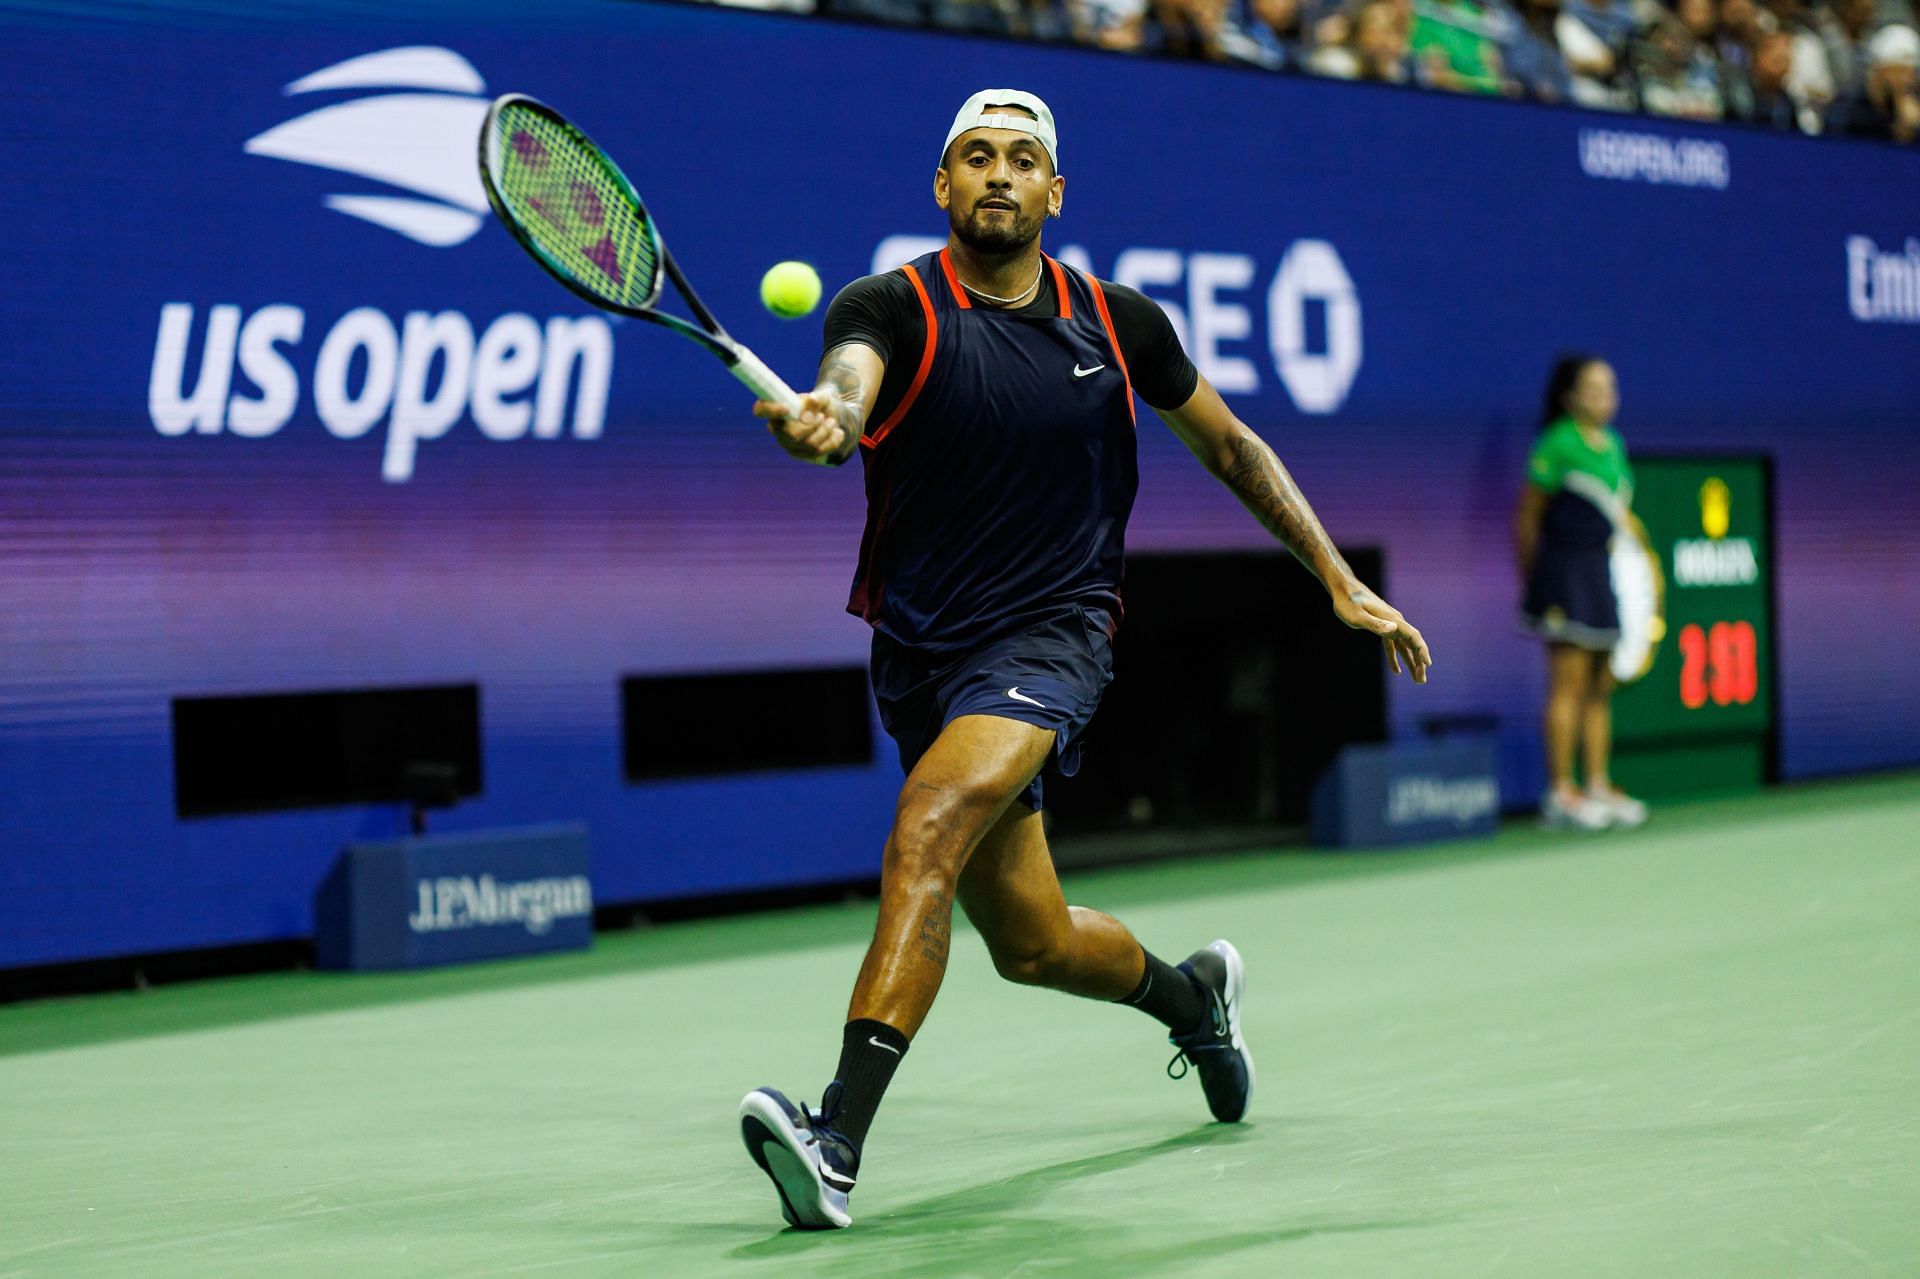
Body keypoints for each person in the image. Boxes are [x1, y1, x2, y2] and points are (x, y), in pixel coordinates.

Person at [738, 91, 1432, 1231]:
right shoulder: (887, 306)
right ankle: (1194, 998)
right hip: (921, 650)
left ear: (1055, 193)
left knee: (924, 826)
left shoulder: (1117, 324)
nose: (998, 176)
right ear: (942, 188)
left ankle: (836, 1140)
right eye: (975, 158)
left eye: (1023, 160)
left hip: (1054, 634)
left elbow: (1231, 445)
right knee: (1034, 943)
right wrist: (829, 416)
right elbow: (851, 386)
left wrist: (1335, 576)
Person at [1514, 355, 1649, 833]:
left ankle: (1596, 783)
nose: (1605, 396)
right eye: (1593, 387)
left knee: (1600, 685)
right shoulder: (1557, 443)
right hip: (1562, 571)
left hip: (1598, 571)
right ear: (1569, 397)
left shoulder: (1613, 445)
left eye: (1610, 386)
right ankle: (1560, 792)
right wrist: (1537, 579)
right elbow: (1528, 518)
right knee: (1567, 683)